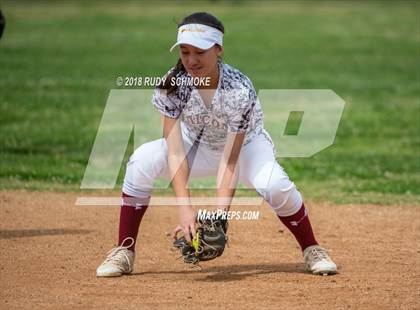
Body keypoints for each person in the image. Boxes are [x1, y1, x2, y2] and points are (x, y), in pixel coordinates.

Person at [96, 12, 337, 277]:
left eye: (200, 51)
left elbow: (229, 161)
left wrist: (219, 217)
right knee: (141, 160)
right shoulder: (173, 85)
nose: (191, 60)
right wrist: (185, 210)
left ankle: (311, 247)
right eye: (185, 52)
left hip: (246, 150)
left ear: (219, 49)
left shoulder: (238, 90)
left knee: (275, 185)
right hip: (193, 147)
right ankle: (124, 250)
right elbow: (175, 151)